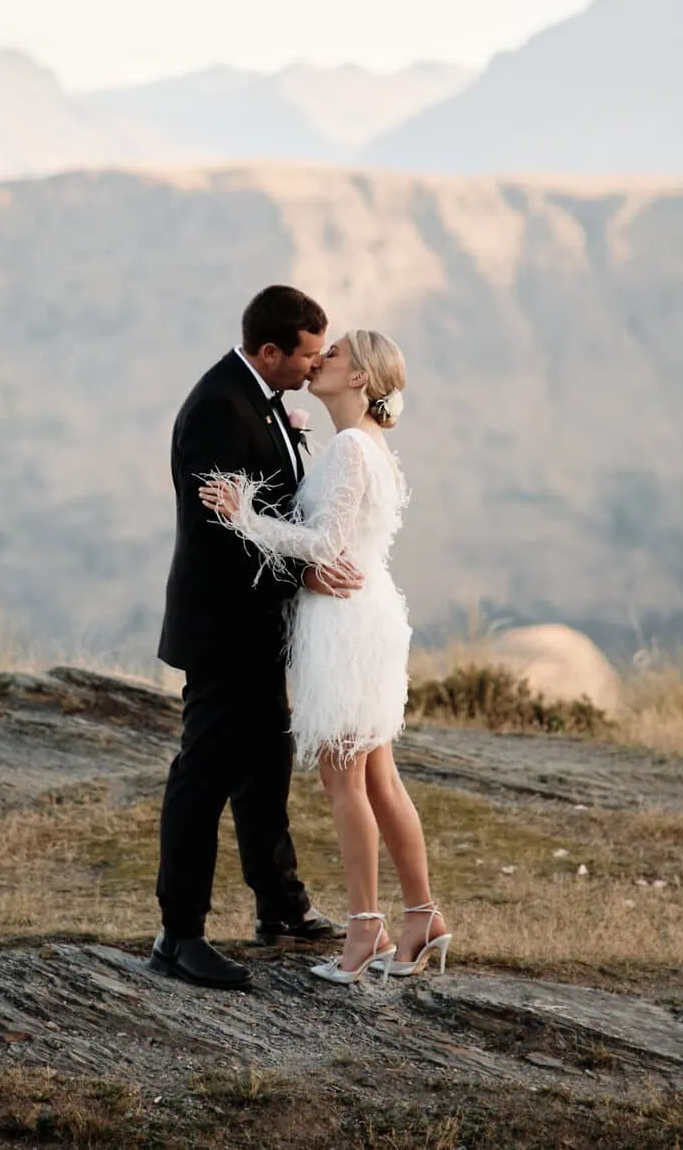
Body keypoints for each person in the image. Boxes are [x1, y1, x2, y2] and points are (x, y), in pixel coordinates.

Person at [198, 328, 450, 984]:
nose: (319, 361)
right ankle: (422, 917)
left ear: (360, 378)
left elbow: (325, 543)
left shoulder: (349, 447)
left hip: (342, 624)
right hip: (369, 616)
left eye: (332, 355)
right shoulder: (371, 446)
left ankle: (366, 929)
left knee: (345, 780)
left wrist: (242, 514)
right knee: (379, 778)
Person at [149, 285, 354, 990]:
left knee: (266, 768)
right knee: (201, 776)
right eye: (305, 354)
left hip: (260, 626)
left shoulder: (258, 397)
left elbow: (270, 504)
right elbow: (219, 534)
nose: (313, 364)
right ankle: (179, 936)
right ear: (270, 351)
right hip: (224, 627)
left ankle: (281, 908)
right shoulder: (217, 407)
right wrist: (303, 575)